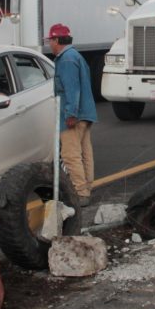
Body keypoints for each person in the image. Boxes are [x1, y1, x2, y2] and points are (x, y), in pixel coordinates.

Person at [47, 23, 97, 204]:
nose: (49, 44)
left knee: (70, 155)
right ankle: (87, 187)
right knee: (85, 152)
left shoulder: (66, 60)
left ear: (57, 40)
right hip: (86, 113)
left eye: (51, 40)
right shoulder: (76, 56)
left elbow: (71, 89)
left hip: (73, 115)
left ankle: (80, 192)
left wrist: (70, 114)